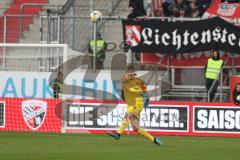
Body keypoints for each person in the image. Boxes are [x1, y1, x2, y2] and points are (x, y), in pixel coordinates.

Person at [107, 64, 162, 146]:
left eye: (132, 72)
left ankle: (118, 134)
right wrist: (139, 91)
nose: (130, 74)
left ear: (134, 72)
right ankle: (154, 140)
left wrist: (146, 96)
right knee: (136, 128)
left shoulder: (139, 80)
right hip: (130, 104)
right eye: (129, 73)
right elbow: (129, 89)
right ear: (127, 72)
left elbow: (144, 91)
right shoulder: (124, 79)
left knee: (128, 115)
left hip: (138, 103)